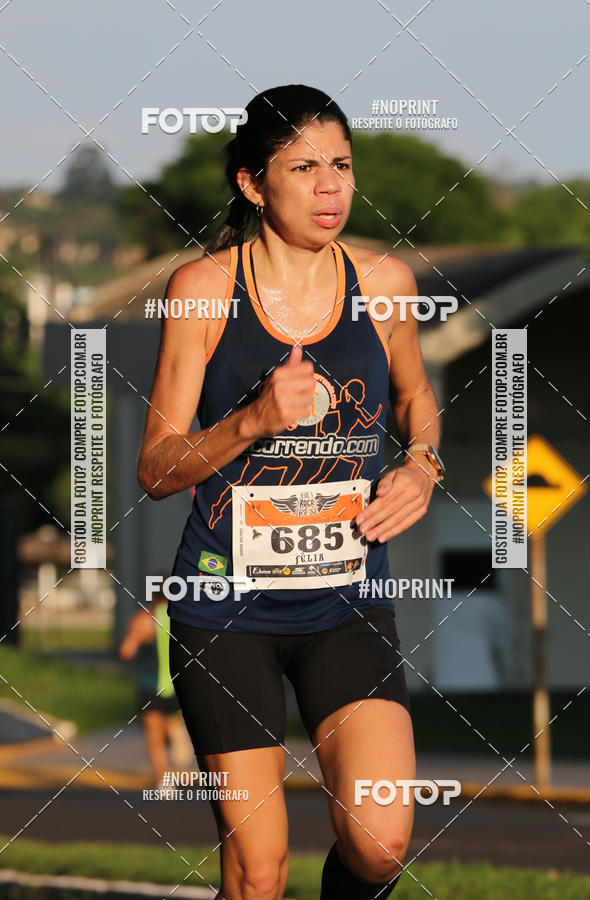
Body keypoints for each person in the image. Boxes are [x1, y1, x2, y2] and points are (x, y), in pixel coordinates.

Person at [137, 84, 443, 900]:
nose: (330, 187)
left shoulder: (386, 283)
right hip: (223, 609)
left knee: (380, 842)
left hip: (348, 602)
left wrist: (421, 467)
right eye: (303, 168)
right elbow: (157, 469)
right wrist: (251, 421)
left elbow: (417, 400)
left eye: (341, 165)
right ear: (252, 184)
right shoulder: (202, 289)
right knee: (259, 870)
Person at [118, 592, 192, 788]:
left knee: (154, 738)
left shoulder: (144, 619)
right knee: (173, 722)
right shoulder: (184, 620)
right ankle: (176, 730)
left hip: (151, 686)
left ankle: (164, 781)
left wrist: (137, 636)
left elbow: (127, 651)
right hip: (180, 686)